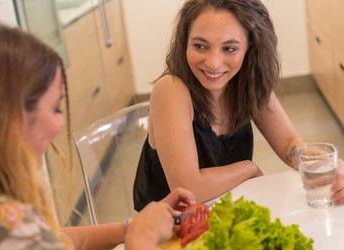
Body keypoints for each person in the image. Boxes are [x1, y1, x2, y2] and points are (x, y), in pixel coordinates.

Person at [0, 19, 196, 250]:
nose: (59, 124)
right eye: (56, 108)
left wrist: (133, 226)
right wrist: (143, 236)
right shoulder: (3, 228)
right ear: (8, 116)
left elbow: (50, 238)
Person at [133, 0, 344, 211]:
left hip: (227, 214)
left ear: (249, 45)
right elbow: (188, 187)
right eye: (200, 46)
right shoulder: (171, 89)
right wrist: (248, 168)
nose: (213, 62)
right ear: (184, 41)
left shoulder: (248, 82)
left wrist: (326, 164)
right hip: (171, 230)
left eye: (230, 48)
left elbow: (289, 143)